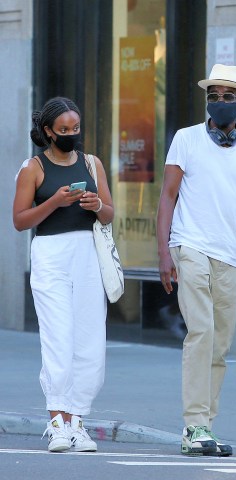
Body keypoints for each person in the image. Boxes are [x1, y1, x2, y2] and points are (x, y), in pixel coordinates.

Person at [157, 64, 236, 456]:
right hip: (189, 246)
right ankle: (194, 425)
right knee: (201, 332)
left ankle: (205, 426)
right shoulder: (186, 139)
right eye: (213, 96)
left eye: (227, 96)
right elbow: (168, 195)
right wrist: (163, 252)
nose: (219, 102)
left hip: (229, 255)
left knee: (220, 345)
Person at [13, 96, 114, 453]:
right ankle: (57, 422)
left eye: (76, 128)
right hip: (51, 255)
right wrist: (55, 201)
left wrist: (96, 204)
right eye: (64, 130)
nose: (72, 134)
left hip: (87, 254)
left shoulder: (91, 163)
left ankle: (78, 422)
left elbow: (109, 214)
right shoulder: (33, 168)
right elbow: (19, 220)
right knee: (58, 338)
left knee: (89, 341)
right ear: (48, 132)